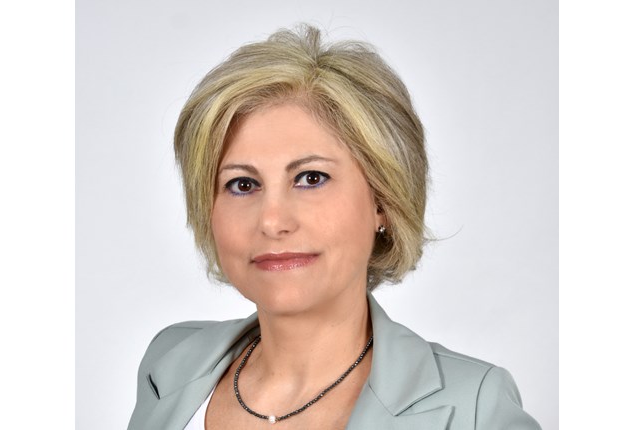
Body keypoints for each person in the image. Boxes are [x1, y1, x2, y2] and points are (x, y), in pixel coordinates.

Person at [128, 24, 541, 430]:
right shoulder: (171, 362)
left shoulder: (474, 409)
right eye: (243, 184)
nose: (272, 221)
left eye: (311, 178)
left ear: (383, 199)